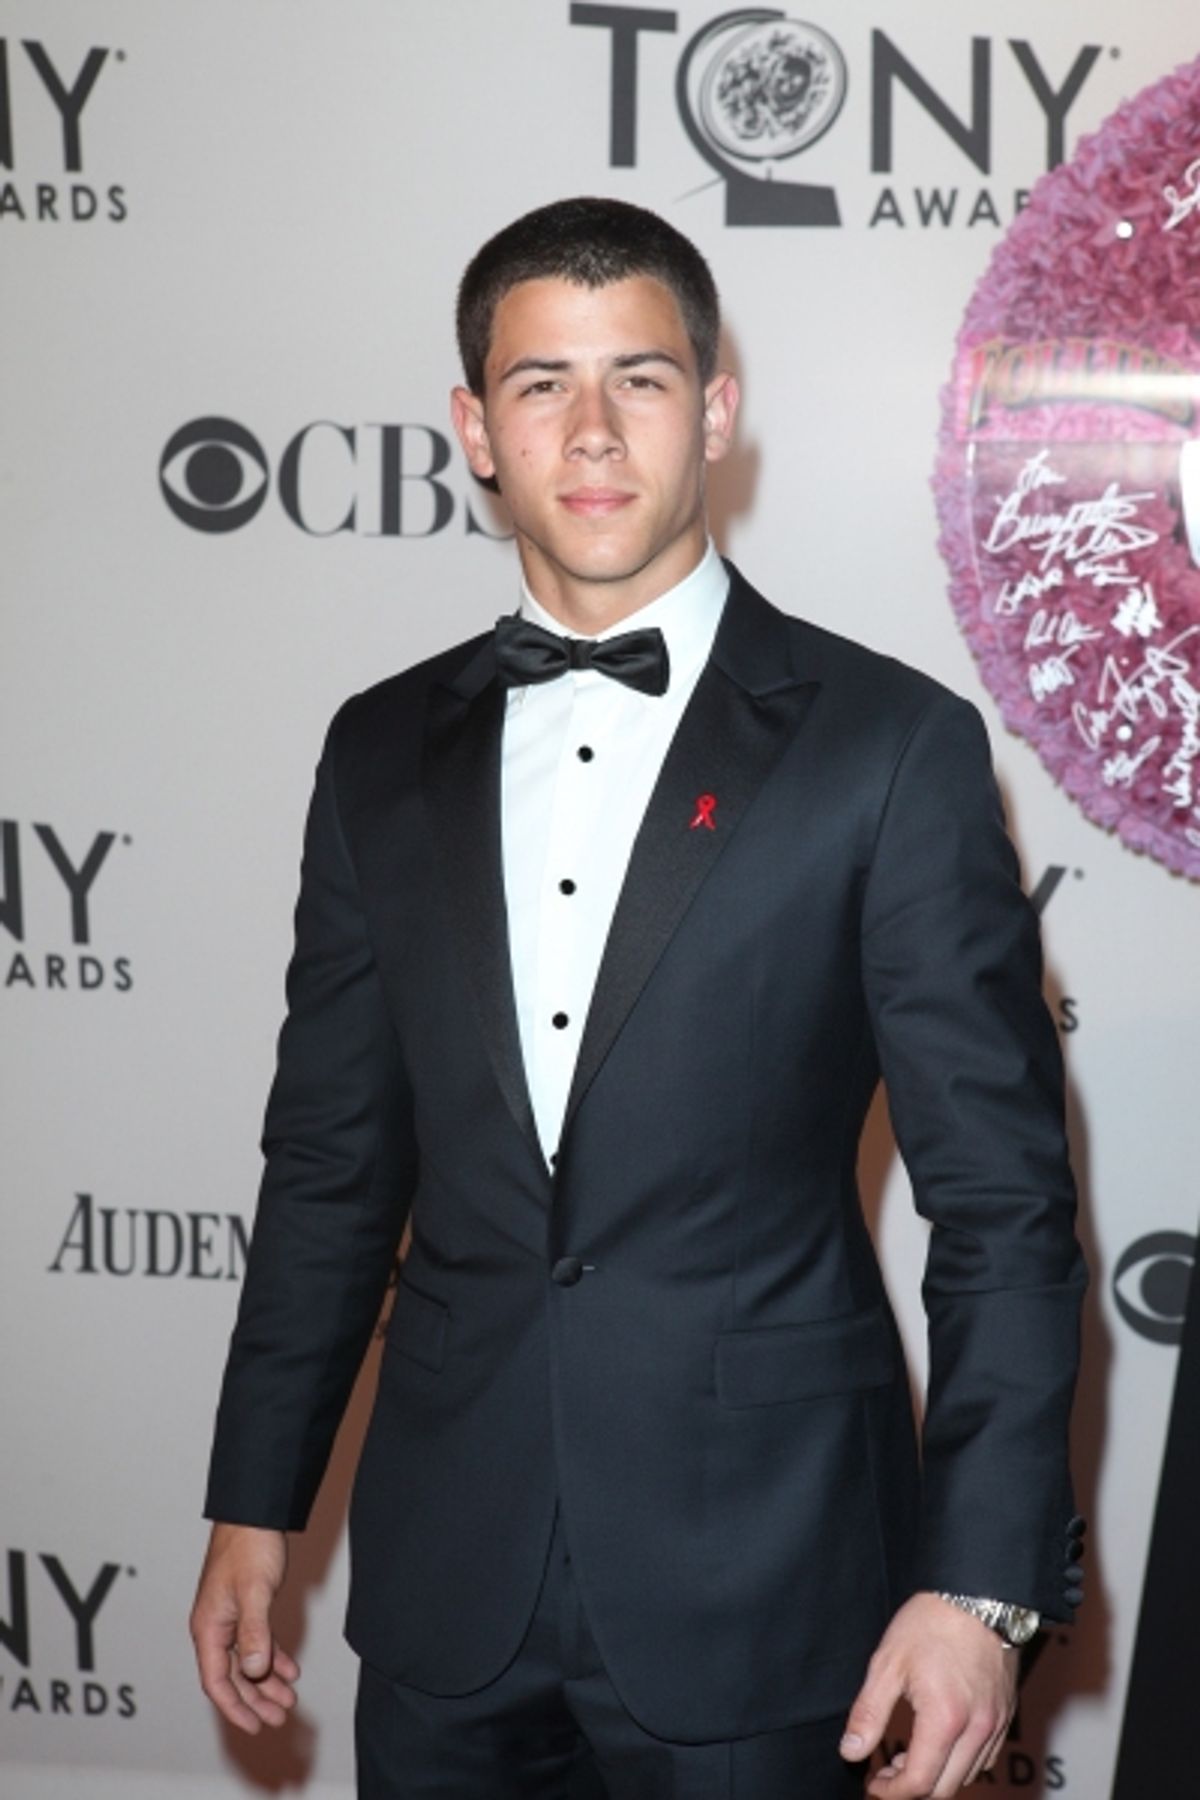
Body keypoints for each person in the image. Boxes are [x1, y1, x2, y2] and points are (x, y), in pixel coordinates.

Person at [190, 196, 1087, 1800]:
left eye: (643, 380)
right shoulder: (378, 750)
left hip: (773, 1587)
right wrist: (255, 1500)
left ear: (717, 408)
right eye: (541, 385)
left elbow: (1004, 1208)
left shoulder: (888, 749)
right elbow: (329, 1164)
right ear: (474, 425)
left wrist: (981, 1589)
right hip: (447, 1588)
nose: (592, 432)